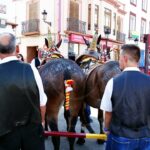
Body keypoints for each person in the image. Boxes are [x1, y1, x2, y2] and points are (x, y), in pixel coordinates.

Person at [0, 32, 47, 150]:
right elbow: (42, 103)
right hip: (32, 132)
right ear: (17, 48)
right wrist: (41, 123)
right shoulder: (31, 69)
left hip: (4, 134)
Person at [100, 44, 150, 150]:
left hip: (120, 137)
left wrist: (106, 129)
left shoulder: (113, 82)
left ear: (125, 58)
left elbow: (108, 113)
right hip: (146, 137)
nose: (119, 62)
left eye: (119, 58)